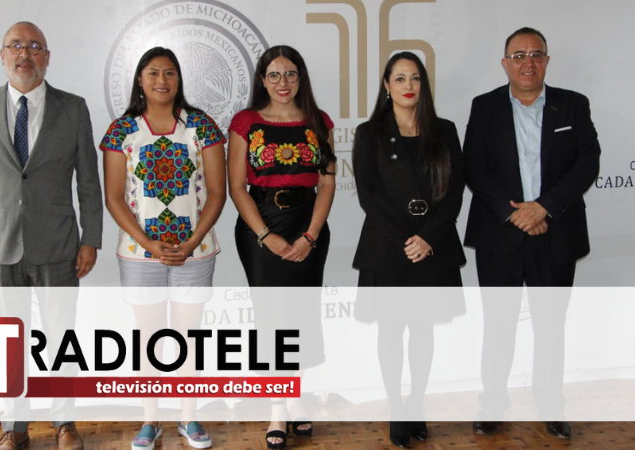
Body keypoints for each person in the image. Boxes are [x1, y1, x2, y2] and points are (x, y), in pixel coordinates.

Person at [0, 21, 102, 450]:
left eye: (34, 46)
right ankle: (14, 428)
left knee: (61, 340)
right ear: (2, 55)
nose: (25, 53)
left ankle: (64, 423)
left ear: (47, 57)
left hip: (58, 243)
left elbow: (88, 182)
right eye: (16, 45)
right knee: (6, 342)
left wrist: (90, 238)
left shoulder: (73, 108)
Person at [463, 27, 601, 440]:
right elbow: (474, 167)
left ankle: (551, 405)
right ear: (505, 63)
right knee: (498, 326)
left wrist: (544, 207)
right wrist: (516, 213)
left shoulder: (573, 105)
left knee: (551, 327)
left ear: (547, 61)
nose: (528, 62)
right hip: (500, 234)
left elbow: (587, 162)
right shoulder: (484, 107)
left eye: (536, 54)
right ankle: (493, 403)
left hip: (555, 231)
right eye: (519, 55)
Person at [100, 47, 226, 450]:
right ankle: (150, 420)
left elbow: (218, 193)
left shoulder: (201, 126)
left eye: (169, 73)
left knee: (189, 337)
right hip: (140, 254)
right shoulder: (122, 131)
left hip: (195, 250)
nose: (161, 80)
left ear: (179, 79)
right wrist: (149, 244)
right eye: (153, 73)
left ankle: (188, 417)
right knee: (147, 340)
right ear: (140, 79)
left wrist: (190, 242)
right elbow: (114, 198)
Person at [352, 52, 466, 448]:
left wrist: (428, 237)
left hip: (433, 247)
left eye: (415, 78)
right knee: (391, 330)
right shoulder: (369, 133)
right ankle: (397, 408)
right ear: (386, 85)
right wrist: (409, 238)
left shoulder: (445, 130)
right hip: (388, 247)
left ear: (423, 84)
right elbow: (368, 194)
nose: (408, 86)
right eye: (399, 78)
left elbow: (454, 193)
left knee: (422, 329)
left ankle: (416, 402)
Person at [227, 45, 336, 449]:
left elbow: (327, 183)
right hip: (261, 227)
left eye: (290, 74)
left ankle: (295, 398)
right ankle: (278, 408)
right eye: (274, 75)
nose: (282, 82)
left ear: (301, 78)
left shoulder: (319, 121)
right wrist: (264, 235)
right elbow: (237, 187)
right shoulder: (245, 122)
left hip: (309, 226)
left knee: (301, 317)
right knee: (273, 320)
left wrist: (310, 236)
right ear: (262, 80)